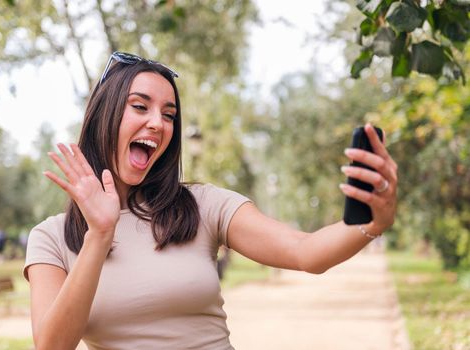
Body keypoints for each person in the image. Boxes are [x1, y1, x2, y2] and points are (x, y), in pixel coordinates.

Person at [24, 51, 398, 350]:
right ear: (104, 117)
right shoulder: (52, 238)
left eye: (169, 115)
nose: (158, 123)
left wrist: (371, 223)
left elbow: (305, 252)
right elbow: (53, 345)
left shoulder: (201, 206)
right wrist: (100, 234)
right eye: (141, 107)